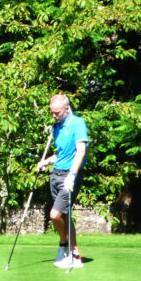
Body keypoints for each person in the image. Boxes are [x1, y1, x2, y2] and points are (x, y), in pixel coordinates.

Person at [36, 94, 89, 269]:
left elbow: (80, 151)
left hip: (69, 176)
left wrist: (72, 176)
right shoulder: (56, 127)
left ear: (66, 109)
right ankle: (74, 254)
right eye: (52, 113)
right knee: (65, 215)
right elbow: (61, 154)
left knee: (55, 214)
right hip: (56, 174)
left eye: (57, 113)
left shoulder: (77, 124)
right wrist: (46, 162)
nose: (54, 116)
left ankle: (63, 245)